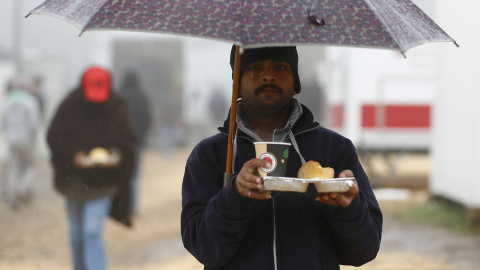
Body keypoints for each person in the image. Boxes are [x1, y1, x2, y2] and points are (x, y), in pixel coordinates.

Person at [181, 46, 383, 269]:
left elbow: (364, 250)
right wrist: (234, 196)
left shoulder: (334, 149)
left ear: (296, 82)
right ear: (236, 82)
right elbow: (204, 249)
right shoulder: (210, 155)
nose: (269, 75)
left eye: (280, 66)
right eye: (255, 67)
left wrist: (348, 208)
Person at [46, 66, 137, 270]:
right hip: (75, 180)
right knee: (76, 232)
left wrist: (117, 156)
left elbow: (129, 142)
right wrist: (73, 155)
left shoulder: (117, 106)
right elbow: (54, 136)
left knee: (92, 231)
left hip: (105, 180)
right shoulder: (71, 105)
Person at [1, 75, 41, 209]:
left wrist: (8, 134)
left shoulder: (7, 102)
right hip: (26, 139)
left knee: (13, 168)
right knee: (31, 165)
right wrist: (35, 138)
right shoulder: (30, 101)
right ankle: (22, 188)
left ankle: (12, 197)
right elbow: (34, 123)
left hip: (11, 140)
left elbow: (3, 122)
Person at [118, 70, 152, 215]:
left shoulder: (118, 96)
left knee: (121, 174)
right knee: (135, 174)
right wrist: (141, 134)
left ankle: (120, 207)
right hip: (137, 142)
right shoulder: (142, 96)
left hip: (120, 142)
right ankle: (132, 208)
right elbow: (147, 119)